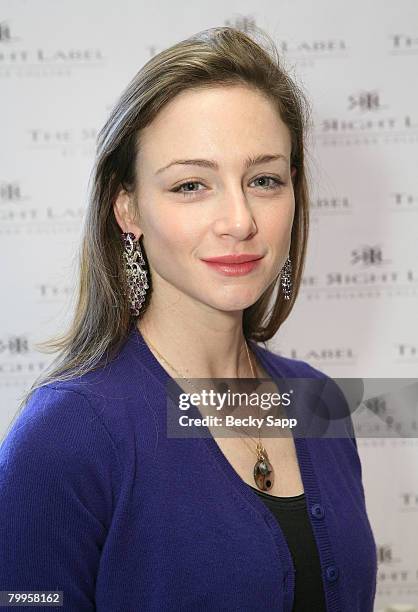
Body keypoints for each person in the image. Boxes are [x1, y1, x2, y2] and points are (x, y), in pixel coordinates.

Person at [0, 25, 377, 611]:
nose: (239, 219)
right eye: (191, 184)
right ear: (128, 208)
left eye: (264, 180)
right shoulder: (66, 437)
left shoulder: (317, 399)